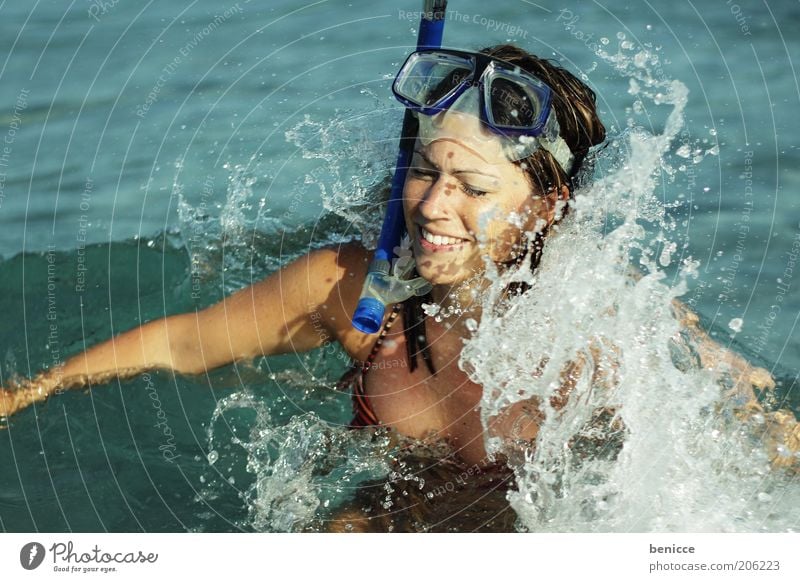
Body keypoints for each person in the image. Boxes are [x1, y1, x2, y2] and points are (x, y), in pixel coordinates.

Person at [1, 45, 796, 531]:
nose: (433, 207)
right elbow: (183, 342)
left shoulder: (599, 322)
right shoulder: (361, 290)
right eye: (424, 171)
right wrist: (22, 393)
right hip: (396, 509)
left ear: (546, 206)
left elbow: (744, 419)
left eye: (473, 188)